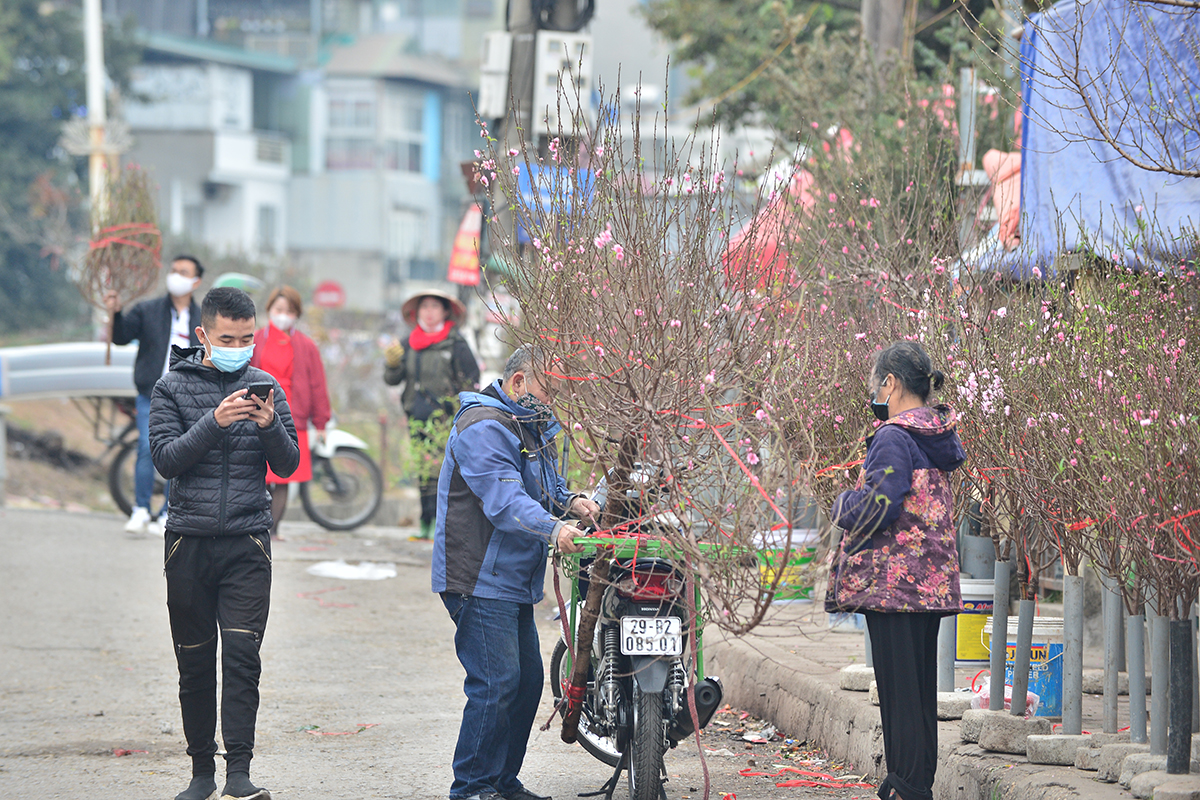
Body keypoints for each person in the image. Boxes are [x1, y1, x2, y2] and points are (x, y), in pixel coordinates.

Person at [149, 287, 300, 800]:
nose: (239, 346)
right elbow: (167, 460)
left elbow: (287, 464)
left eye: (247, 338)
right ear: (203, 336)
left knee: (241, 656)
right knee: (193, 660)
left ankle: (239, 771)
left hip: (247, 542)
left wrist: (270, 424)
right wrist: (214, 422)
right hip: (187, 543)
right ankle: (200, 774)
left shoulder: (265, 385)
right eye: (228, 338)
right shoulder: (170, 388)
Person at [434, 345, 599, 800]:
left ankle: (501, 781)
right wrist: (554, 527)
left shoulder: (531, 425)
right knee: (496, 683)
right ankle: (470, 787)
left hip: (511, 580)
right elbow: (506, 501)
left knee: (525, 684)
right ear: (520, 382)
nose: (559, 399)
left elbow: (544, 489)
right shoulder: (484, 427)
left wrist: (571, 503)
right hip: (478, 577)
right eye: (554, 388)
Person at [824, 340, 966, 800]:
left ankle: (904, 789)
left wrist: (843, 503)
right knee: (918, 694)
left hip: (893, 586)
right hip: (928, 586)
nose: (875, 393)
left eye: (877, 383)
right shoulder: (936, 433)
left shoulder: (893, 435)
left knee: (900, 696)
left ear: (892, 383)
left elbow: (881, 504)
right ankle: (914, 784)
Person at [107, 255, 204, 535]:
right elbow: (122, 335)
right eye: (173, 270)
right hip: (151, 392)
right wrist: (115, 313)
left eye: (183, 272)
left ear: (196, 281)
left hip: (187, 395)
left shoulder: (202, 318)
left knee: (180, 454)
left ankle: (167, 512)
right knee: (147, 449)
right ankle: (140, 509)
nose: (176, 276)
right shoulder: (148, 310)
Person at [384, 289, 480, 539]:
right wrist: (392, 364)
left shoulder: (456, 344)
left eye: (434, 307)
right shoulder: (407, 344)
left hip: (447, 420)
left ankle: (441, 524)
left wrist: (461, 413)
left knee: (444, 472)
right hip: (417, 416)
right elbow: (393, 380)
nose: (428, 312)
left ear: (445, 311)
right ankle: (425, 521)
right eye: (424, 307)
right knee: (423, 470)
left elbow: (471, 382)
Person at [250, 285, 332, 540]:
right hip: (258, 414)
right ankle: (255, 526)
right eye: (279, 309)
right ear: (269, 310)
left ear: (297, 314)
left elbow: (317, 385)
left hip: (293, 418)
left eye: (289, 310)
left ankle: (273, 530)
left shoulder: (306, 346)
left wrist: (321, 423)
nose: (283, 314)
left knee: (283, 477)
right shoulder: (255, 339)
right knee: (257, 474)